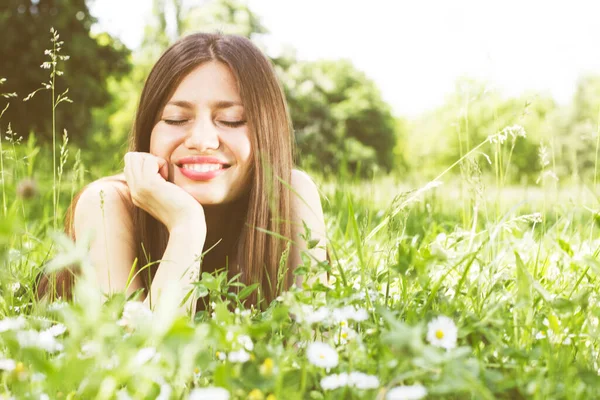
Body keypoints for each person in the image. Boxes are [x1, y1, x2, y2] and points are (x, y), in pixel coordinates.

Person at [36, 32, 327, 315]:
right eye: (176, 119)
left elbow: (318, 340)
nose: (201, 140)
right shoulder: (106, 202)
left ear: (267, 131)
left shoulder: (291, 194)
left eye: (231, 120)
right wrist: (186, 227)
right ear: (148, 128)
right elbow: (127, 357)